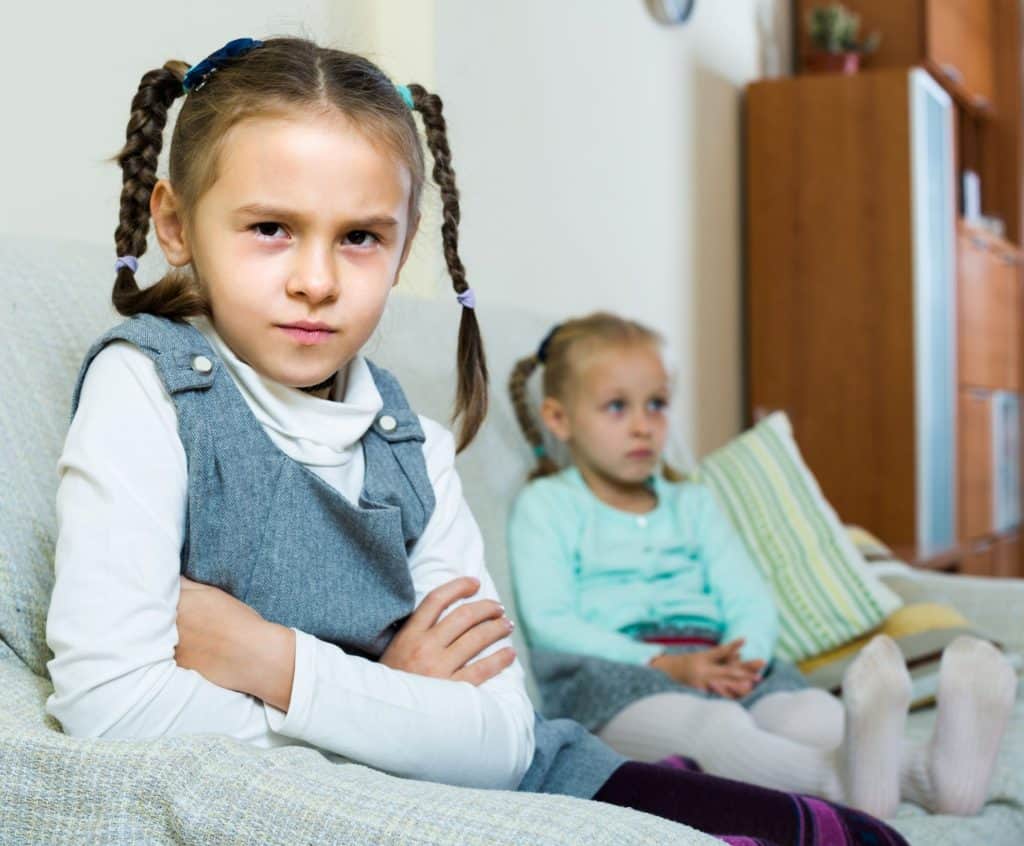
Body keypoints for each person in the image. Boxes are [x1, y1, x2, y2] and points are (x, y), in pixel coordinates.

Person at [44, 37, 909, 845]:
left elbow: (498, 737)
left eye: (359, 238)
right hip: (401, 806)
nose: (315, 281)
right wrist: (403, 701)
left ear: (404, 242)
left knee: (863, 840)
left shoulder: (410, 443)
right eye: (271, 227)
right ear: (176, 222)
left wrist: (271, 660)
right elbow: (110, 703)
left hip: (539, 770)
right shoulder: (148, 390)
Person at [507, 312, 1018, 820]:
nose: (643, 425)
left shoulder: (693, 503)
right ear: (559, 418)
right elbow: (551, 621)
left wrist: (743, 657)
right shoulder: (548, 505)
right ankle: (837, 782)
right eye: (617, 407)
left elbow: (745, 594)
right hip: (617, 678)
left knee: (808, 712)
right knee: (717, 728)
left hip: (721, 659)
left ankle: (929, 776)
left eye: (657, 405)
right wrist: (662, 663)